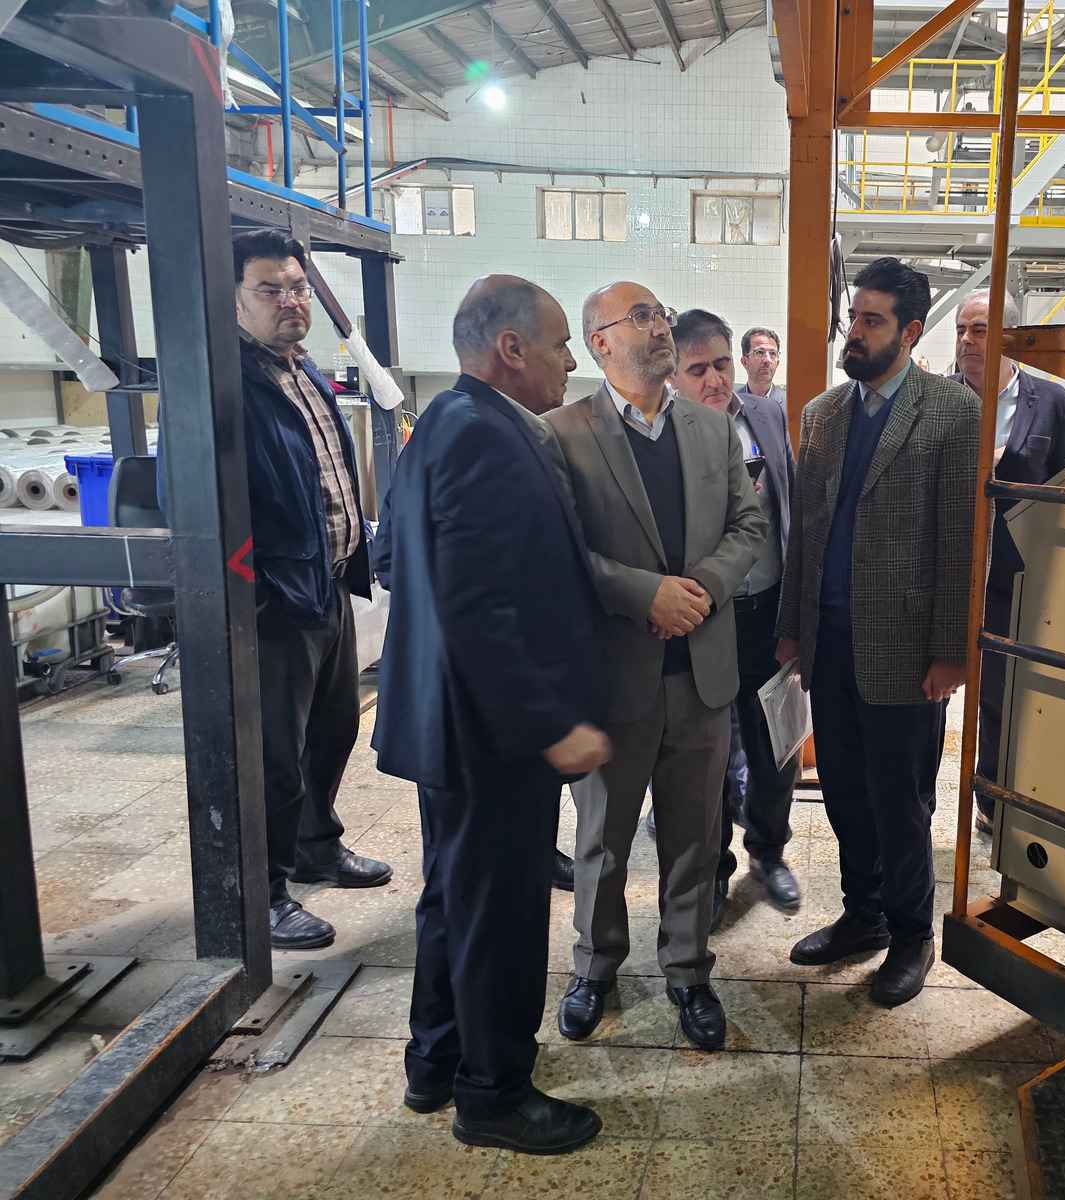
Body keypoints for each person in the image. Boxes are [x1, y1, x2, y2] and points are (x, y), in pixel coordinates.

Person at [372, 275, 611, 1155]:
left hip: (450, 723)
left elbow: (404, 560)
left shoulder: (444, 421)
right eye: (559, 343)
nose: (570, 360)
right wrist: (549, 723)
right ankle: (495, 1095)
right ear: (511, 349)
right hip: (491, 733)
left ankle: (436, 1060)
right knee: (501, 914)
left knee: (455, 898)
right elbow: (476, 605)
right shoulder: (485, 435)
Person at [546, 282, 765, 1051]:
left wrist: (699, 590)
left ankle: (688, 971)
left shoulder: (713, 427)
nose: (659, 326)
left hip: (702, 673)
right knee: (603, 840)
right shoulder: (562, 433)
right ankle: (594, 969)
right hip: (615, 676)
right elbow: (560, 550)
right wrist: (646, 595)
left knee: (696, 836)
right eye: (639, 316)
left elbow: (748, 525)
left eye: (661, 314)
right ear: (600, 342)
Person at [775, 257, 979, 1008]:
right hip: (828, 642)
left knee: (900, 802)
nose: (854, 333)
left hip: (903, 646)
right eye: (853, 318)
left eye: (872, 320)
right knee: (844, 794)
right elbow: (805, 534)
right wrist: (792, 629)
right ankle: (862, 914)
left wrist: (952, 651)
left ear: (911, 331)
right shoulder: (824, 413)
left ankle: (911, 934)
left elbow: (962, 539)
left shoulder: (952, 412)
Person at [204, 230, 393, 951]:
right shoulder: (225, 385)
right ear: (234, 300)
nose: (290, 301)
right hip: (275, 605)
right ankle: (266, 892)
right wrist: (250, 594)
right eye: (270, 289)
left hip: (326, 585)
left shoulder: (302, 369)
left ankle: (317, 845)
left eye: (298, 288)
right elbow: (194, 502)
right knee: (274, 758)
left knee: (332, 731)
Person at [669, 310, 801, 930]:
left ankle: (768, 850)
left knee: (778, 743)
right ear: (673, 376)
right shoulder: (665, 437)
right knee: (713, 755)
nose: (715, 379)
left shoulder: (767, 416)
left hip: (768, 611)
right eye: (698, 369)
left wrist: (795, 614)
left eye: (722, 364)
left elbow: (791, 513)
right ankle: (714, 867)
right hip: (705, 620)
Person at [950, 292, 1065, 835]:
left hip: (1017, 577)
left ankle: (995, 797)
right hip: (948, 572)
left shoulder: (1051, 403)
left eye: (979, 330)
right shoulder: (937, 401)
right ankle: (922, 803)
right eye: (961, 330)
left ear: (1010, 335)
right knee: (931, 689)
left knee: (1004, 692)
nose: (966, 341)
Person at [738, 327, 785, 407]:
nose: (768, 360)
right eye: (759, 352)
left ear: (777, 363)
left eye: (772, 353)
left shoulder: (789, 404)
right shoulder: (731, 403)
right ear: (745, 362)